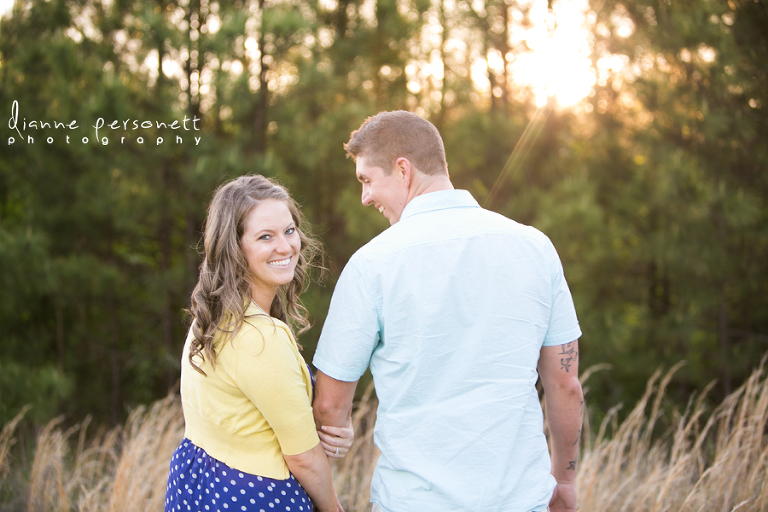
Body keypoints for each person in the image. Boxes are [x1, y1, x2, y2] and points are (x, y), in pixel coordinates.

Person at [312, 111, 584, 512]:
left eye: (367, 180)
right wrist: (564, 479)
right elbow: (566, 385)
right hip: (520, 500)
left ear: (402, 170)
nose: (365, 197)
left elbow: (329, 406)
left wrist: (340, 432)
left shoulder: (372, 264)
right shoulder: (535, 247)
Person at [165, 175, 351, 512]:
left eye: (289, 231)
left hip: (196, 486)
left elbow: (252, 415)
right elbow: (303, 459)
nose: (285, 247)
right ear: (234, 248)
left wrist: (327, 428)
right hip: (254, 495)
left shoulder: (208, 318)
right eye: (266, 236)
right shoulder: (261, 338)